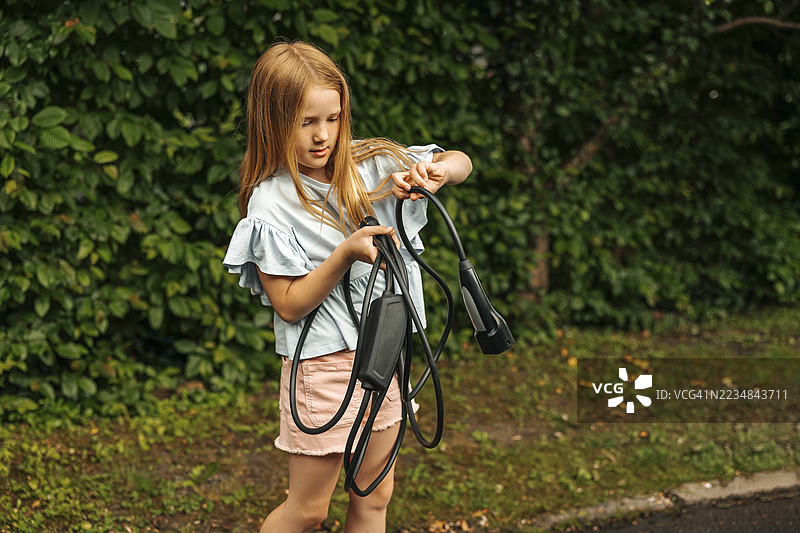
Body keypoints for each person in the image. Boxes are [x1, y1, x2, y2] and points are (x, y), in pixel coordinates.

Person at [222, 40, 472, 533]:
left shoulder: (371, 163)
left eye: (332, 119)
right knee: (309, 509)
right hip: (324, 368)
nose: (322, 136)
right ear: (272, 122)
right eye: (305, 122)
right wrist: (344, 254)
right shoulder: (270, 203)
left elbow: (461, 160)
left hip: (385, 355)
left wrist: (437, 173)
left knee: (374, 498)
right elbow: (290, 305)